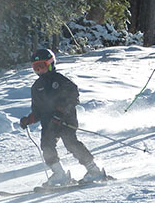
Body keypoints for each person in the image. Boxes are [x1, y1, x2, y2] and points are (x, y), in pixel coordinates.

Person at [19, 48, 106, 186]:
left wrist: (61, 112)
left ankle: (94, 170)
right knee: (46, 145)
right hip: (49, 123)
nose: (39, 70)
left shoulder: (59, 81)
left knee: (70, 143)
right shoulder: (36, 87)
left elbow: (73, 96)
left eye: (42, 66)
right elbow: (37, 111)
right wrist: (29, 120)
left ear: (51, 64)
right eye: (36, 68)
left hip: (66, 119)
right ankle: (59, 174)